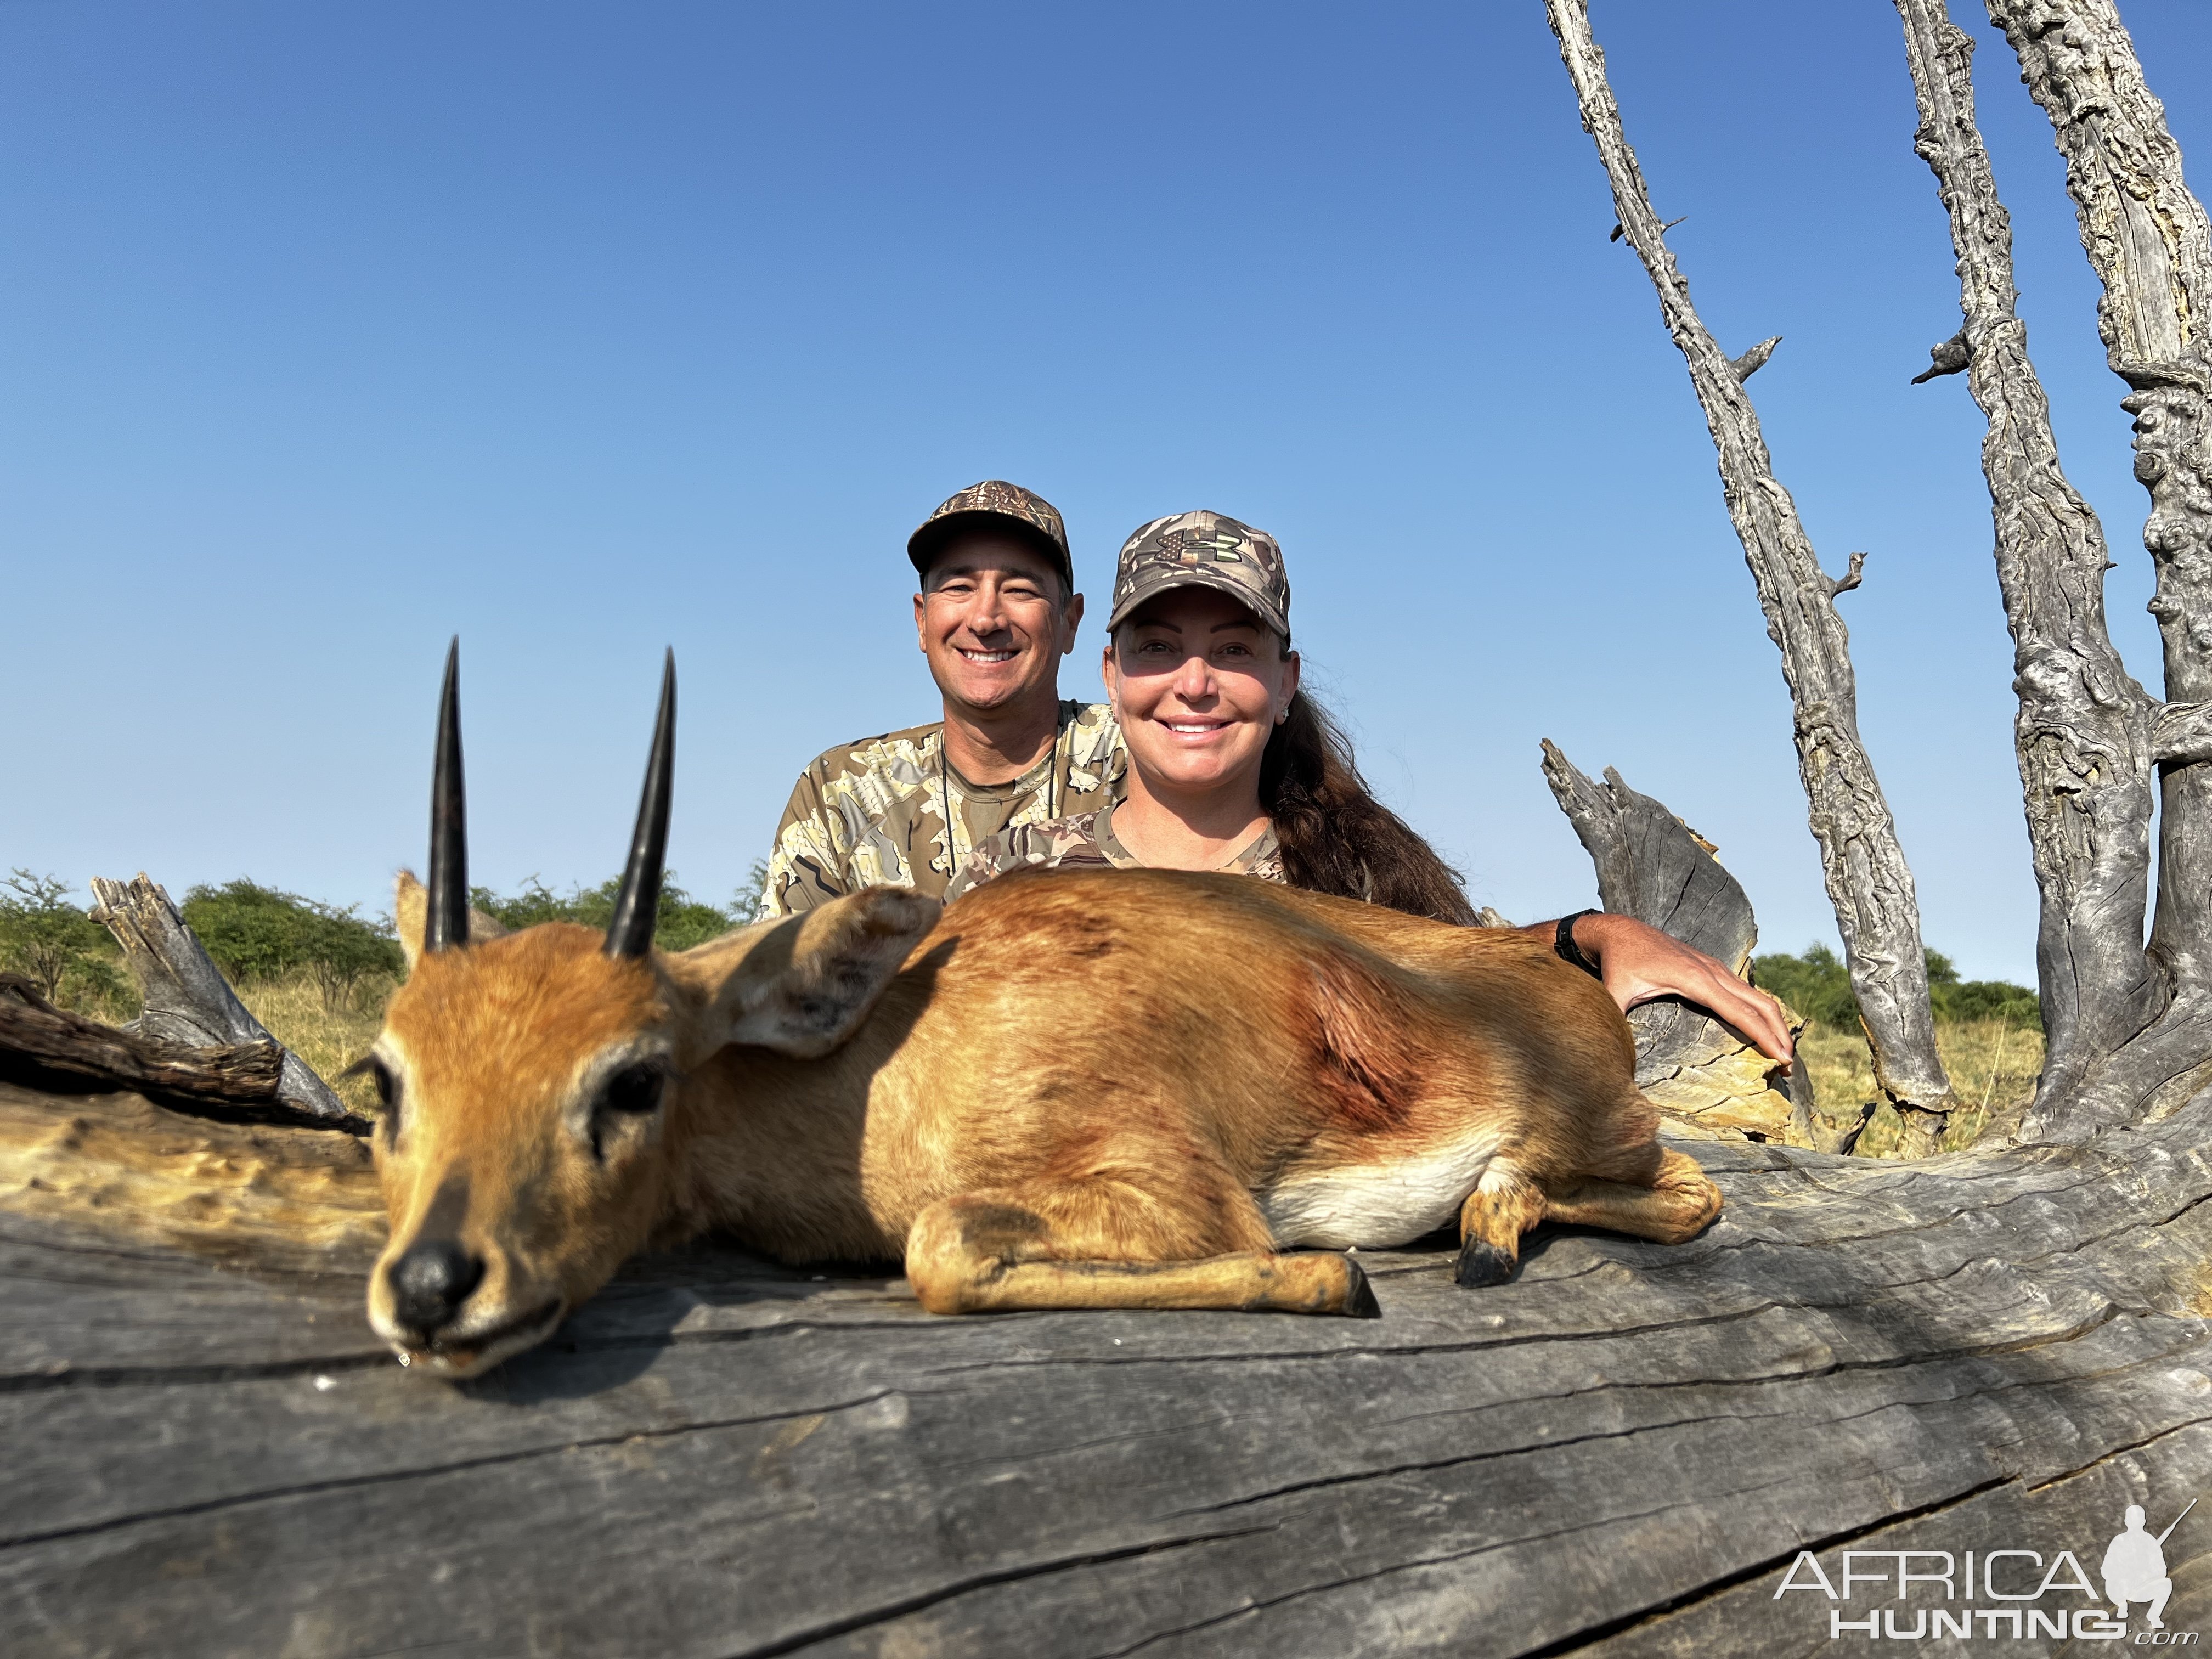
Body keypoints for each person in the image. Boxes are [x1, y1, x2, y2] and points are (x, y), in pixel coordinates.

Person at [947, 509, 1793, 1061]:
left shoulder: (1352, 879)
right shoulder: (1008, 881)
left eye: (1236, 650)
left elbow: (1452, 963)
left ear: (1285, 683)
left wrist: (1592, 934)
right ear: (1111, 674)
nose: (1195, 682)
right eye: (1159, 647)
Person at [758, 480, 1125, 917]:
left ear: (1070, 621)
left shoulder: (1137, 755)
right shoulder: (845, 791)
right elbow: (786, 976)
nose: (986, 619)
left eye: (1020, 589)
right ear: (922, 619)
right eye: (958, 587)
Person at [2103, 1505, 2174, 1629]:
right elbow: (2105, 1570)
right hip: (2121, 1589)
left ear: (2144, 1522)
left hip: (2143, 1589)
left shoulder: (2150, 1541)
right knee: (2111, 1582)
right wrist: (2124, 1572)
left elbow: (2162, 1571)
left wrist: (2147, 1572)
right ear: (2126, 1522)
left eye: (2137, 1520)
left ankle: (2154, 1615)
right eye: (2132, 1520)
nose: (2135, 1523)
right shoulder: (2118, 1541)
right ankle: (2121, 1606)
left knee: (2166, 1583)